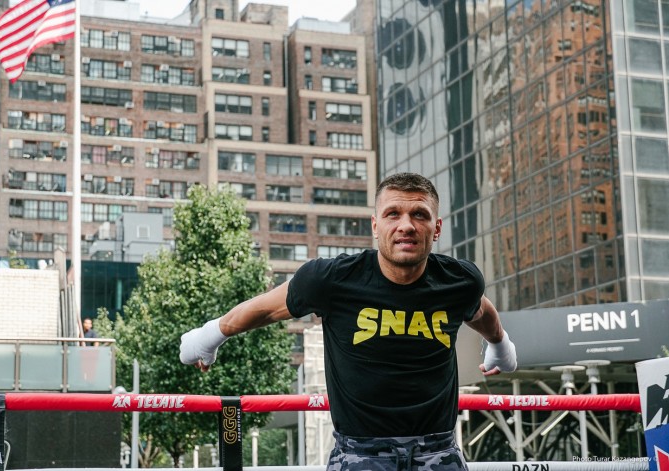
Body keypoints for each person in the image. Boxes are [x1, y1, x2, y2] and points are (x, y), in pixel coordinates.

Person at [180, 172, 517, 470]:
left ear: (436, 228)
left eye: (419, 214)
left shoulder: (460, 281)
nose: (406, 225)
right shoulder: (333, 279)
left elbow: (480, 310)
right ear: (375, 226)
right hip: (360, 454)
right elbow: (265, 309)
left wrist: (500, 345)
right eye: (393, 214)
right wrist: (208, 337)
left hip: (438, 451)